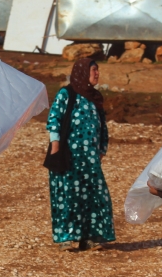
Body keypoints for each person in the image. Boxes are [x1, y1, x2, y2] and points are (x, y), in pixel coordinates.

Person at [46, 58, 116, 252]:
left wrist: (102, 150)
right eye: (94, 70)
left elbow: (102, 126)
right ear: (82, 72)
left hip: (90, 158)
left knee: (95, 195)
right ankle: (66, 238)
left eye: (97, 70)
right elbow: (54, 119)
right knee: (68, 195)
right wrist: (55, 146)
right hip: (68, 155)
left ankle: (91, 237)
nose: (97, 74)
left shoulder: (95, 97)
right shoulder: (67, 94)